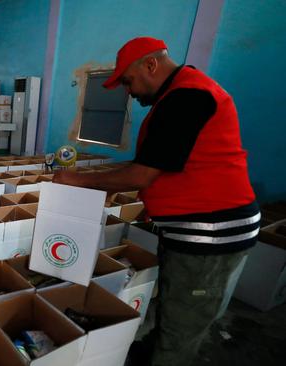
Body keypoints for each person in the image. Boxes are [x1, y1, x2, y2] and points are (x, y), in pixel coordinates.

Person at [53, 37, 259, 366]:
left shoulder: (187, 97)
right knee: (172, 305)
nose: (128, 91)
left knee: (183, 325)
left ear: (151, 64)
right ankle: (146, 353)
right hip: (192, 230)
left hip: (211, 234)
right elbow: (150, 164)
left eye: (128, 81)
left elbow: (141, 175)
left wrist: (77, 180)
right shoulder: (178, 95)